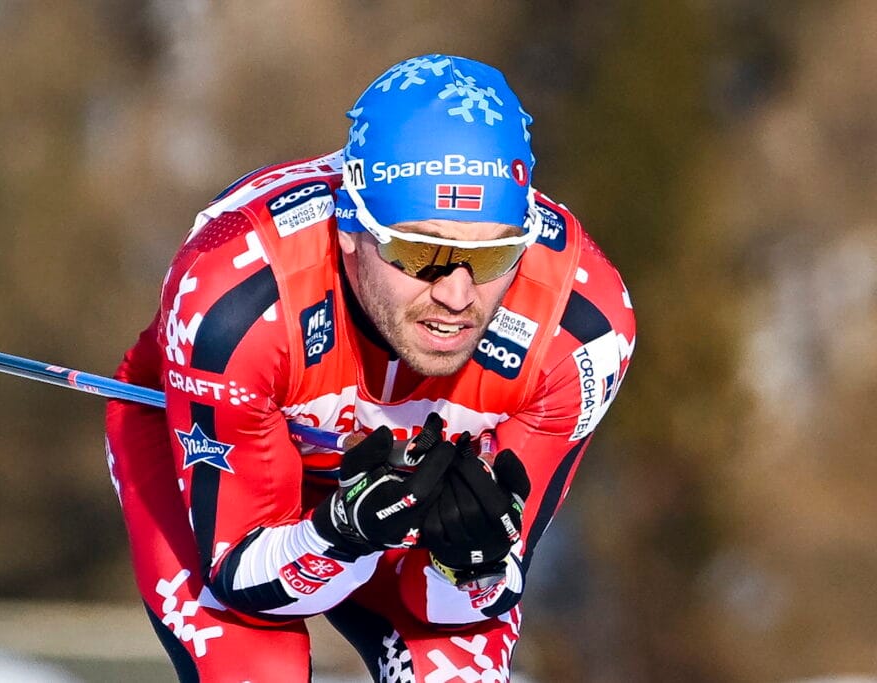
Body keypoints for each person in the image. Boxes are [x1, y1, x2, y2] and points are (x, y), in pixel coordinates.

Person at [105, 54, 635, 682]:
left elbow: (465, 608)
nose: (458, 296)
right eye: (420, 252)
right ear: (352, 228)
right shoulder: (237, 302)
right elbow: (241, 579)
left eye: (493, 258)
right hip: (220, 454)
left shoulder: (581, 329)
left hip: (386, 498)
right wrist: (340, 536)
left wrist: (472, 560)